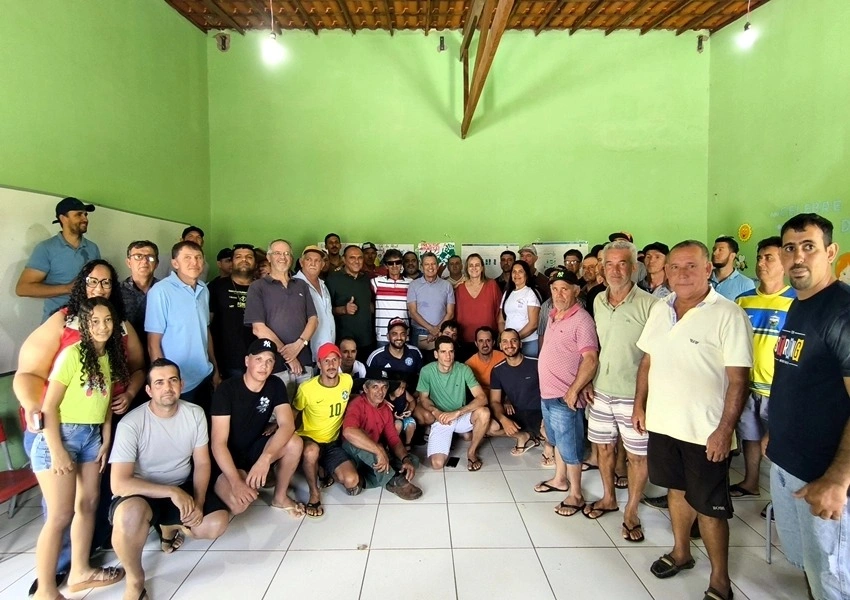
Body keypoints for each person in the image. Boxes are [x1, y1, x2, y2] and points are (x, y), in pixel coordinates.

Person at [633, 240, 752, 600]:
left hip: (706, 433)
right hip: (664, 424)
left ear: (707, 270)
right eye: (675, 267)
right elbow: (648, 362)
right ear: (666, 272)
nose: (682, 274)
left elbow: (738, 379)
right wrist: (640, 406)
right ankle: (681, 552)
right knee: (676, 491)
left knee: (711, 508)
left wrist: (724, 431)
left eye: (690, 266)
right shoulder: (660, 309)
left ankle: (720, 581)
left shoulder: (729, 314)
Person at [767, 214, 850, 600]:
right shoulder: (801, 304)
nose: (797, 257)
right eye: (790, 248)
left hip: (824, 474)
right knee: (810, 567)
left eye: (809, 247)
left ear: (830, 252)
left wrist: (838, 478)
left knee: (833, 578)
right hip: (788, 464)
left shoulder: (842, 312)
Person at [31, 297, 129, 599]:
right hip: (60, 437)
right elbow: (49, 407)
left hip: (91, 439)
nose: (103, 326)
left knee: (87, 505)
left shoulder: (108, 356)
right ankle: (46, 590)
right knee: (59, 515)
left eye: (108, 320)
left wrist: (106, 440)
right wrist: (57, 449)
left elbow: (106, 405)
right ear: (85, 325)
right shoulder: (72, 354)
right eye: (95, 321)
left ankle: (80, 572)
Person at [109, 358, 230, 600]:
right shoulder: (131, 424)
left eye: (173, 380)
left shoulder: (194, 414)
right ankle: (135, 580)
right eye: (160, 382)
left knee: (217, 523)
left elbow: (203, 462)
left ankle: (169, 526)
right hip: (143, 493)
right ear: (149, 390)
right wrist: (172, 493)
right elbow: (119, 483)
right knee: (128, 517)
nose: (168, 387)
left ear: (182, 385)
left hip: (181, 485)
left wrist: (198, 500)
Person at [584, 241, 657, 542]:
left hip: (634, 395)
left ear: (634, 267)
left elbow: (653, 356)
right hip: (601, 389)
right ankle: (608, 497)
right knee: (604, 449)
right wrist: (588, 379)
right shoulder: (599, 301)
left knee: (637, 458)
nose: (616, 270)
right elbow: (598, 347)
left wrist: (641, 401)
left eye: (622, 263)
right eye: (610, 264)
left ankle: (632, 511)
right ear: (602, 269)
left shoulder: (651, 305)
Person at [730, 236, 794, 498]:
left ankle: (784, 499)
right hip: (746, 384)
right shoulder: (743, 301)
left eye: (769, 257)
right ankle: (751, 481)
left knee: (781, 444)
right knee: (750, 436)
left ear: (784, 263)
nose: (762, 263)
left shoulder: (795, 301)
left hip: (779, 388)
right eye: (759, 257)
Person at [210, 339, 305, 517]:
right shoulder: (227, 390)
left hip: (255, 448)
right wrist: (235, 481)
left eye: (269, 360)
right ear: (247, 361)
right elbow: (218, 444)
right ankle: (231, 483)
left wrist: (265, 459)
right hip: (229, 456)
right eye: (259, 359)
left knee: (295, 442)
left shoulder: (275, 384)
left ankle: (280, 497)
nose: (264, 366)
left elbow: (287, 424)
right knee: (239, 505)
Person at [536, 270, 599, 517]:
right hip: (548, 393)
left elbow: (590, 359)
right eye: (554, 289)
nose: (559, 294)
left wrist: (574, 391)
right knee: (558, 441)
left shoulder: (582, 320)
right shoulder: (553, 316)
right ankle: (560, 480)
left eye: (564, 288)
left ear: (576, 290)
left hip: (566, 396)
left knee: (570, 446)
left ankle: (576, 494)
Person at [146, 241, 220, 410]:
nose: (194, 262)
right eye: (187, 257)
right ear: (175, 263)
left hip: (204, 374)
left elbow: (204, 330)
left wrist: (215, 367)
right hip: (178, 382)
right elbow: (153, 343)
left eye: (198, 257)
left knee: (202, 427)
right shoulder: (160, 291)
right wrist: (164, 384)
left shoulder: (204, 289)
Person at [244, 239, 318, 397]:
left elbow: (313, 320)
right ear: (269, 257)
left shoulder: (301, 285)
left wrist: (299, 345)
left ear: (291, 258)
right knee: (278, 414)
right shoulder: (257, 287)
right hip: (274, 365)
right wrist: (288, 356)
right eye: (277, 253)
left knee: (305, 413)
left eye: (286, 253)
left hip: (304, 361)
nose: (282, 257)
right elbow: (258, 328)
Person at [293, 343, 359, 517]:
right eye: (326, 361)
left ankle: (323, 467)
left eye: (334, 360)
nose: (331, 365)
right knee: (312, 451)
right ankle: (314, 493)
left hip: (332, 442)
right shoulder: (307, 388)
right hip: (309, 439)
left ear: (339, 361)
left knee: (352, 482)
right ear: (319, 364)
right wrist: (278, 427)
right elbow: (294, 411)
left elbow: (349, 399)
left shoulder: (347, 380)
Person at [16, 197, 101, 322]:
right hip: (56, 324)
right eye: (78, 214)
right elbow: (23, 288)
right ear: (63, 218)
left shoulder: (93, 248)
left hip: (88, 322)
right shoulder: (46, 248)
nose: (85, 219)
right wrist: (67, 288)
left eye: (85, 214)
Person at [341, 372, 423, 500]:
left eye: (384, 387)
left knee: (413, 461)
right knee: (365, 440)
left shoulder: (385, 408)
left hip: (370, 456)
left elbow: (393, 438)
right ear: (365, 389)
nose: (380, 391)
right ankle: (393, 481)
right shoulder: (357, 404)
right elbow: (348, 432)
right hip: (353, 452)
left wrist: (405, 459)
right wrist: (379, 451)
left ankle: (367, 479)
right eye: (375, 387)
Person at [414, 336, 490, 471]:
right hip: (441, 418)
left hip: (459, 415)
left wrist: (458, 412)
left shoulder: (463, 369)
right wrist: (436, 412)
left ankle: (472, 452)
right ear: (436, 354)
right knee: (437, 464)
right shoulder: (427, 371)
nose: (448, 356)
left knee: (484, 412)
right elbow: (423, 398)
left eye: (451, 351)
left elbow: (482, 398)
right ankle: (457, 434)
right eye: (443, 352)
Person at [488, 329, 543, 457]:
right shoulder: (497, 370)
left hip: (539, 413)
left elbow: (550, 394)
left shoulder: (536, 364)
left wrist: (547, 418)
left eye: (514, 341)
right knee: (489, 427)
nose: (510, 345)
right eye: (505, 342)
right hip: (516, 413)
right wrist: (503, 419)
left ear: (520, 344)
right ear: (500, 346)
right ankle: (524, 436)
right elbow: (495, 401)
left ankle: (540, 436)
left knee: (549, 435)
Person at [208, 244, 257, 379]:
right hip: (225, 360)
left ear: (255, 262)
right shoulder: (216, 286)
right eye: (238, 257)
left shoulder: (262, 287)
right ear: (232, 261)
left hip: (257, 359)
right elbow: (206, 324)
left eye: (249, 257)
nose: (244, 260)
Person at [327, 245, 374, 360]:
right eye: (352, 258)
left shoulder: (366, 279)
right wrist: (344, 309)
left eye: (360, 258)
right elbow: (326, 310)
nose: (357, 261)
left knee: (363, 375)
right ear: (344, 259)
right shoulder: (333, 279)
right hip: (344, 342)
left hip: (366, 340)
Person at [455, 253, 502, 359]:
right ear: (466, 268)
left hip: (488, 341)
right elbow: (454, 313)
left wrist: (501, 333)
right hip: (465, 340)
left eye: (477, 265)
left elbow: (500, 311)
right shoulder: (459, 288)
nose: (474, 268)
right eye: (471, 265)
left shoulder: (492, 285)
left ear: (482, 267)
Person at [293, 245, 335, 362]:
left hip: (327, 350)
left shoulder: (323, 285)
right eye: (309, 260)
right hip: (306, 351)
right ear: (301, 262)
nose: (313, 263)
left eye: (317, 261)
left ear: (322, 265)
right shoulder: (294, 284)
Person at [407, 252, 455, 352]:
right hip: (419, 332)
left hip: (441, 332)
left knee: (441, 363)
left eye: (433, 264)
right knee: (419, 363)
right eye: (427, 264)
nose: (430, 267)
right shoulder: (413, 285)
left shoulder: (447, 285)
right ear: (422, 266)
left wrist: (437, 330)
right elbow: (413, 312)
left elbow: (450, 313)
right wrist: (431, 329)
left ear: (437, 266)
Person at [120, 241, 160, 359]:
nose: (144, 261)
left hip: (160, 354)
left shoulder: (165, 290)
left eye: (150, 257)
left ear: (157, 263)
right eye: (138, 256)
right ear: (128, 262)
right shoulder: (116, 291)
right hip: (127, 356)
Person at [498, 260, 542, 357]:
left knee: (528, 370)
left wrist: (514, 339)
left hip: (528, 342)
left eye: (520, 271)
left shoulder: (531, 293)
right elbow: (501, 320)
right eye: (514, 271)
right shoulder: (507, 293)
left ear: (526, 274)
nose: (517, 274)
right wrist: (505, 339)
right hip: (510, 346)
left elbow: (533, 324)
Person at [371, 248, 413, 345]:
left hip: (403, 335)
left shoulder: (411, 284)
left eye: (397, 262)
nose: (394, 266)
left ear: (401, 264)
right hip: (382, 335)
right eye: (390, 263)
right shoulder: (376, 282)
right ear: (386, 265)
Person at [464, 326, 506, 397]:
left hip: (502, 394)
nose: (485, 344)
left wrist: (508, 399)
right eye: (481, 341)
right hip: (482, 397)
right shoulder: (469, 364)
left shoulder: (503, 357)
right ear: (476, 343)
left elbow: (512, 382)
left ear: (493, 342)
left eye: (488, 340)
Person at [711, 235, 756, 300]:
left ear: (732, 256)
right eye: (714, 249)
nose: (714, 253)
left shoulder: (746, 284)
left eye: (720, 250)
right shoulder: (703, 278)